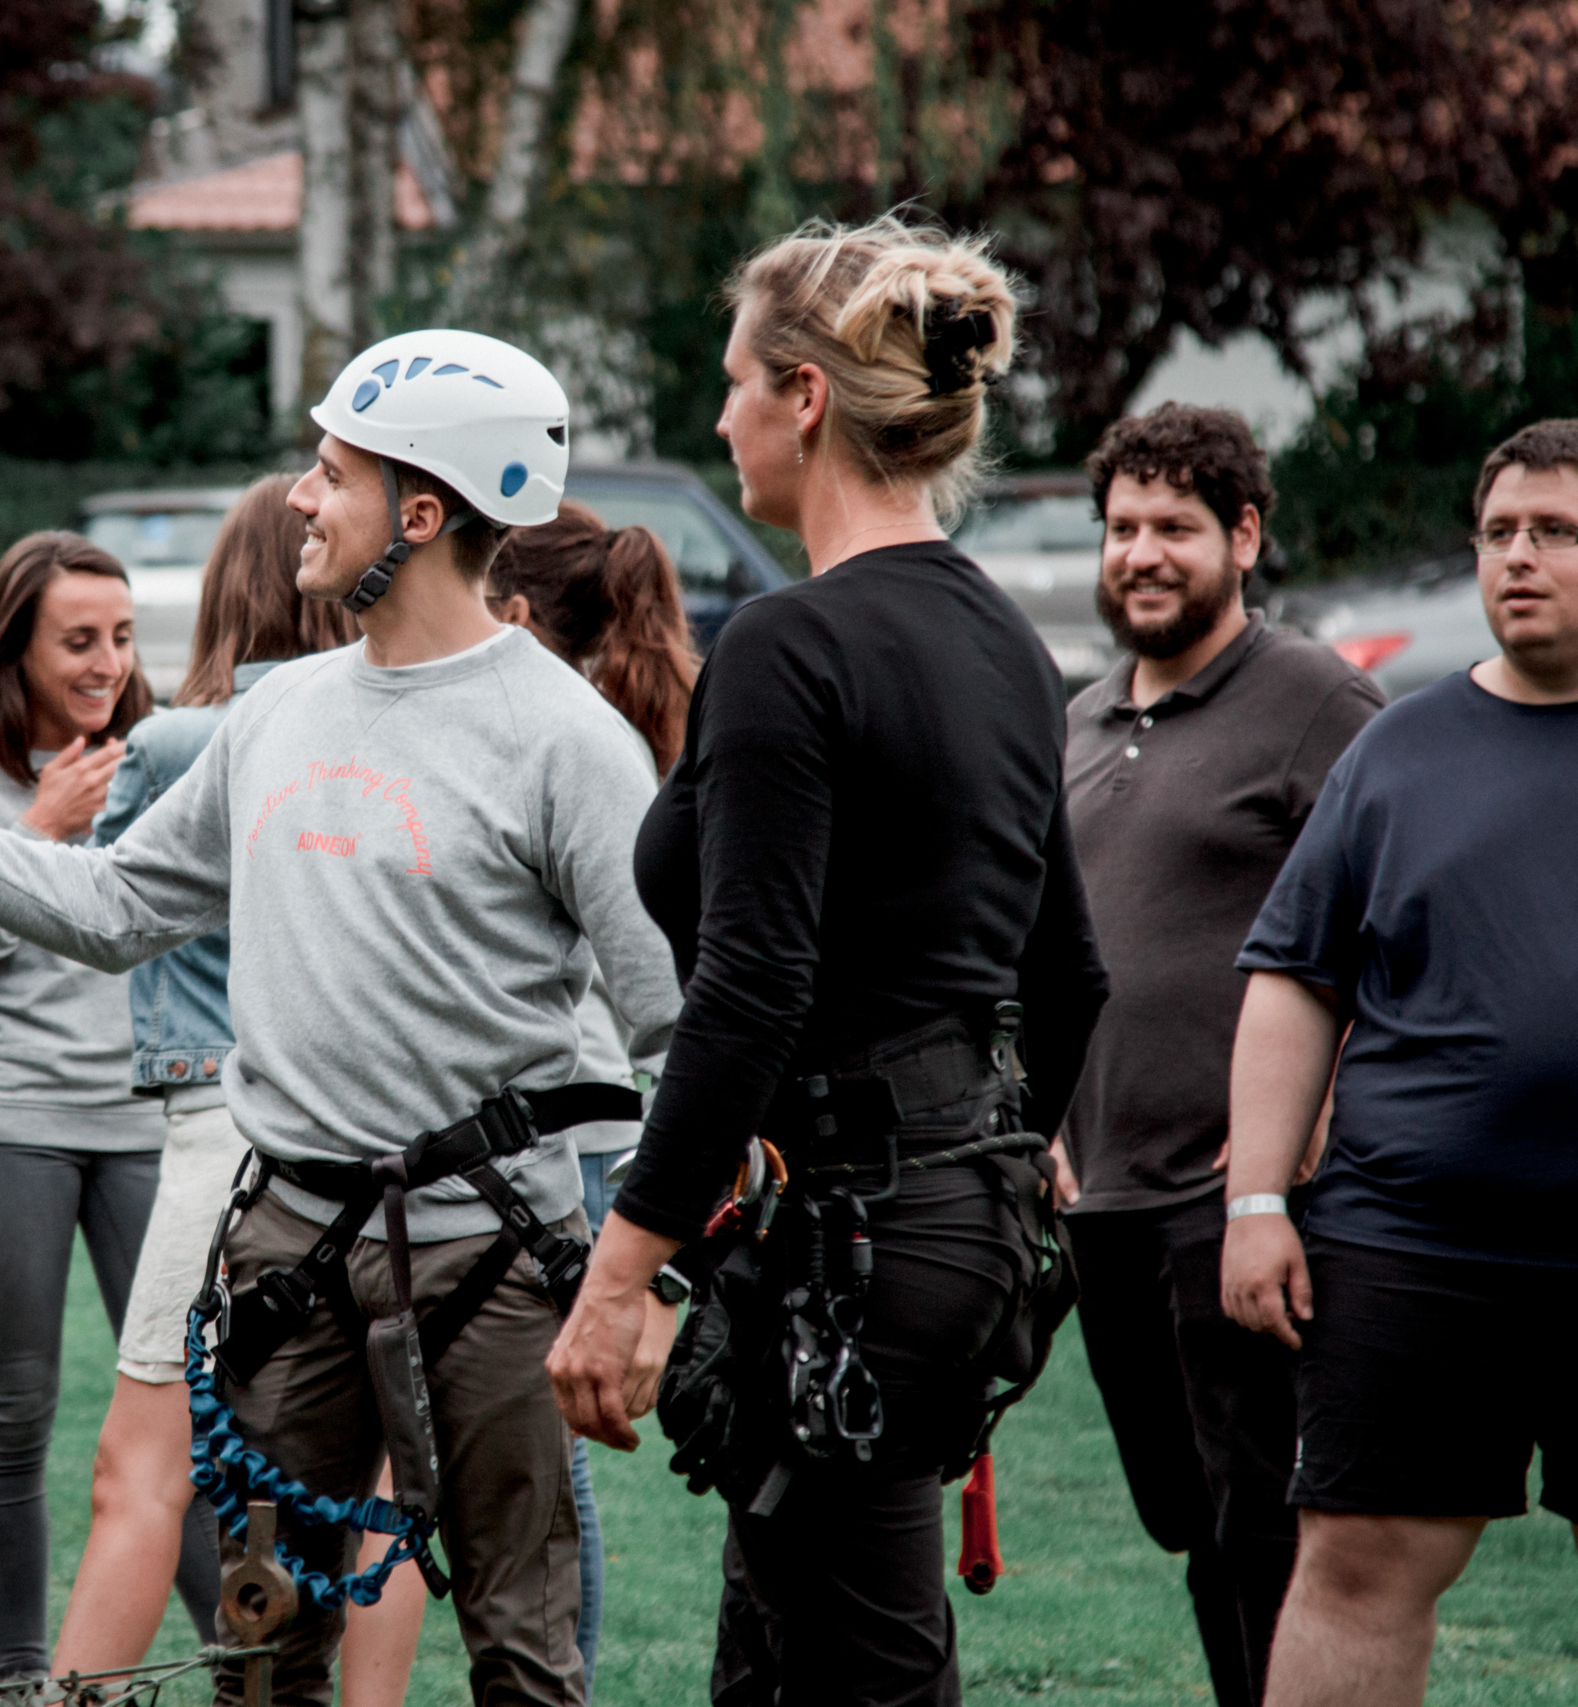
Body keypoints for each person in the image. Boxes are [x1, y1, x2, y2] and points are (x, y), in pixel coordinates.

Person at [0, 326, 681, 1706]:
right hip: (289, 1254)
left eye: (330, 472)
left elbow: (671, 1034)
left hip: (499, 1267)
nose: (298, 500)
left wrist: (650, 1284)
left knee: (524, 1648)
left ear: (424, 511)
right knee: (262, 1649)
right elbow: (111, 907)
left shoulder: (569, 741)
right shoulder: (275, 716)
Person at [544, 217, 1107, 1707]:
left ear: (804, 396)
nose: (718, 413)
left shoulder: (790, 642)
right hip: (936, 1220)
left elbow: (752, 987)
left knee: (858, 1666)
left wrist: (619, 1272)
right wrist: (1007, 1142)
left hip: (864, 1238)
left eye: (735, 380)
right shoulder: (1007, 640)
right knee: (785, 1653)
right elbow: (1073, 976)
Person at [1222, 419, 1578, 1707]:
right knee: (1361, 1566)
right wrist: (1257, 1202)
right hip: (1415, 1242)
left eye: (1554, 532)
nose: (1518, 559)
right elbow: (1291, 981)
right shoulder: (1396, 752)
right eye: (1497, 534)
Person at [1051, 404, 1381, 1707]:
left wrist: (1312, 1120)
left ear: (1243, 536)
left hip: (1239, 1193)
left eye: (1174, 527)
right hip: (1104, 1196)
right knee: (1185, 1513)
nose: (1142, 551)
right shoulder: (1076, 720)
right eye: (1123, 526)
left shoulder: (1317, 701)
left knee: (1265, 1512)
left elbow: (1395, 928)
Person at [44, 473, 355, 1681]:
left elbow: (107, 909)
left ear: (233, 588)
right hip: (365, 1135)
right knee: (351, 1489)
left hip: (218, 1125)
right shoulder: (372, 723)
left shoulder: (182, 740)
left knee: (141, 1473)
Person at [0, 531, 176, 1685]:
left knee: (179, 1418)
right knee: (12, 1414)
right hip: (3, 1120)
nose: (106, 661)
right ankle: (24, 1677)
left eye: (119, 638)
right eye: (78, 640)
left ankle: (239, 1657)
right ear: (14, 645)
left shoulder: (156, 756)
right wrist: (37, 837)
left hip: (143, 1125)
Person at [467, 500, 698, 1692]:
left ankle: (564, 1674)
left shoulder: (568, 740)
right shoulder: (648, 713)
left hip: (580, 1125)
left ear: (512, 616)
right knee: (545, 1471)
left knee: (545, 1478)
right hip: (612, 1114)